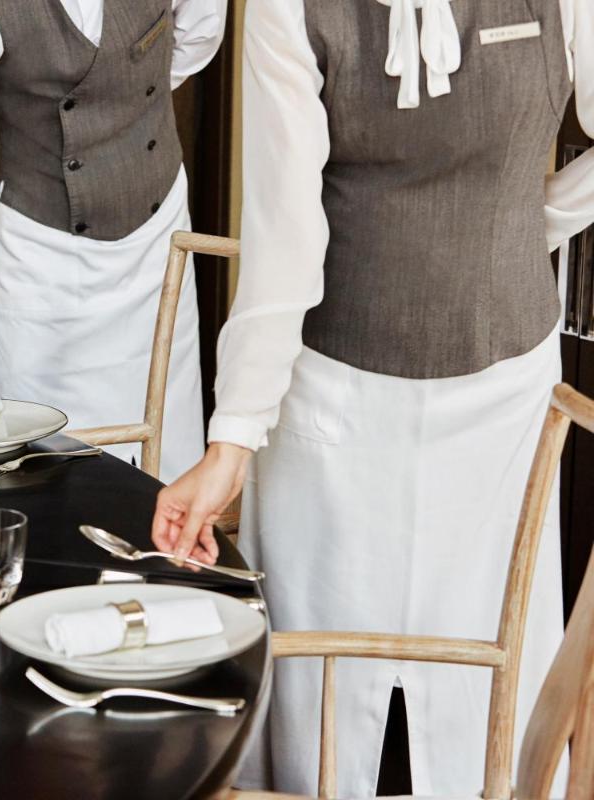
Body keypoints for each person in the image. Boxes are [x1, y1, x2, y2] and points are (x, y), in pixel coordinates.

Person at [153, 0, 594, 795]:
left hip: (501, 406)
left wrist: (534, 226)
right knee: (322, 682)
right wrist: (233, 441)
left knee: (485, 683)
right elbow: (284, 232)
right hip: (333, 395)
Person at [0, 0, 228, 480]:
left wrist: (120, 101)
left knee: (164, 456)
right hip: (39, 259)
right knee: (35, 467)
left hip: (156, 242)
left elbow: (199, 33)